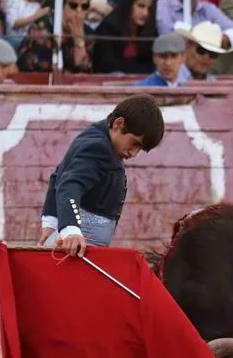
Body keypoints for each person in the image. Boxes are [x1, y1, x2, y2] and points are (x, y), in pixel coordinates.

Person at [37, 94, 166, 257]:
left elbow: (58, 174)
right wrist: (71, 230)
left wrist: (51, 221)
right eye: (134, 143)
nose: (133, 153)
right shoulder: (99, 147)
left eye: (140, 149)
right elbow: (69, 185)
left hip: (77, 243)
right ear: (119, 124)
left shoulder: (97, 135)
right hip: (77, 246)